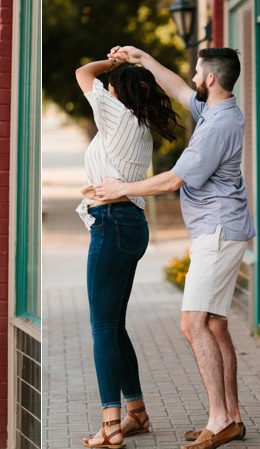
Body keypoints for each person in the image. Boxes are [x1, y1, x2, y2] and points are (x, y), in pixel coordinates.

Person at [93, 46, 254, 449]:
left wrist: (121, 189)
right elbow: (179, 88)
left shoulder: (217, 127)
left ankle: (218, 421)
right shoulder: (215, 109)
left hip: (216, 233)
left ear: (212, 78)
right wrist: (142, 59)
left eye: (198, 72)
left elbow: (173, 180)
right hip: (220, 229)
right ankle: (231, 417)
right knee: (214, 324)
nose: (193, 78)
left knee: (191, 323)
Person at [74, 57, 184, 448]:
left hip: (112, 225)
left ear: (116, 91)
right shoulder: (138, 127)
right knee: (114, 325)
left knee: (102, 328)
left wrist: (112, 61)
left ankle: (110, 425)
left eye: (112, 84)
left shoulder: (113, 111)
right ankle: (136, 413)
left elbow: (83, 73)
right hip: (129, 225)